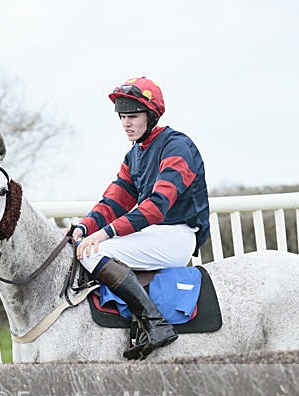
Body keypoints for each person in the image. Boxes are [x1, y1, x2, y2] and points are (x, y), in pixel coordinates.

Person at [72, 77, 210, 359]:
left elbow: (157, 206)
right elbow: (113, 201)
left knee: (91, 252)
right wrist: (84, 226)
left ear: (151, 115)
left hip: (177, 234)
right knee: (86, 243)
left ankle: (156, 325)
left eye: (133, 116)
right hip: (154, 235)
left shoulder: (177, 146)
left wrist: (103, 234)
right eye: (122, 117)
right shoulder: (133, 155)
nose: (126, 123)